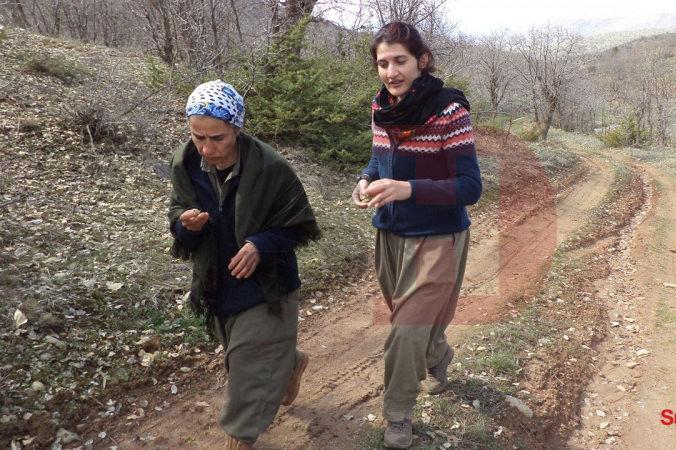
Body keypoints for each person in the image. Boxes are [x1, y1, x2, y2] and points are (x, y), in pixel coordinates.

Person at [167, 80, 321, 450]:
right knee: (240, 360)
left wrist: (260, 244)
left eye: (217, 138)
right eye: (198, 137)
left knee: (248, 375)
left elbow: (298, 224)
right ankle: (287, 362)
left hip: (266, 287)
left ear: (236, 128)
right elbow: (176, 214)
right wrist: (185, 224)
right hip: (219, 283)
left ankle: (241, 438)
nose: (207, 148)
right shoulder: (186, 163)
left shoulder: (271, 168)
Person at [351, 22, 482, 449]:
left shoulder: (449, 112)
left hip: (438, 236)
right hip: (389, 233)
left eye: (400, 61)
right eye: (383, 63)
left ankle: (398, 414)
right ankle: (438, 354)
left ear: (421, 61)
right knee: (410, 323)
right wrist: (366, 180)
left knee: (406, 328)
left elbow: (470, 187)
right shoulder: (381, 108)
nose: (391, 72)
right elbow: (378, 160)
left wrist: (409, 189)